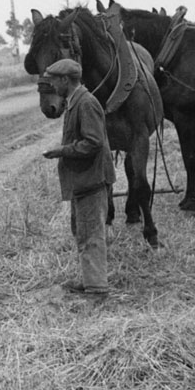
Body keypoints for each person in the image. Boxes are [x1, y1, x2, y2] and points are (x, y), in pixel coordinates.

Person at [41, 58, 116, 295]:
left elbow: (93, 143)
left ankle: (97, 289)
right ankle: (91, 279)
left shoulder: (85, 103)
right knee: (83, 231)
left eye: (54, 80)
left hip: (91, 180)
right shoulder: (76, 101)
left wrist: (61, 151)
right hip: (84, 180)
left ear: (65, 80)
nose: (52, 85)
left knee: (91, 233)